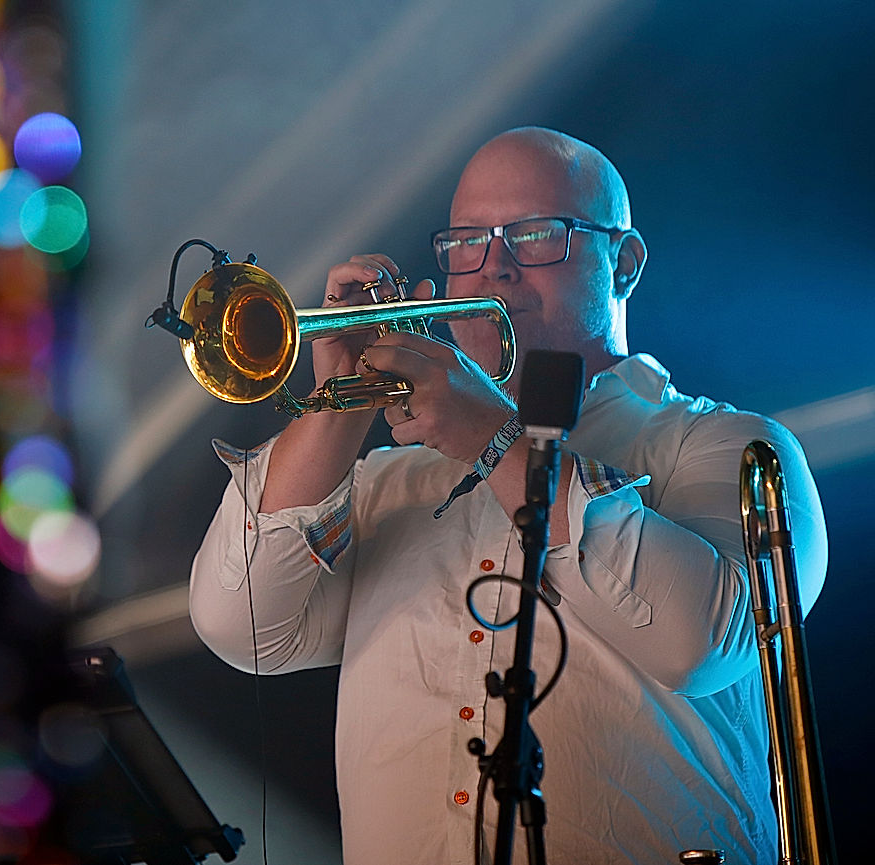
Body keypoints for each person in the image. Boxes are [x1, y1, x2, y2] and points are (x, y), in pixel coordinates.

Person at [187, 127, 828, 864]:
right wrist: (338, 397)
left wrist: (493, 438)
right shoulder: (389, 482)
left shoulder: (732, 446)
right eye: (466, 242)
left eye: (533, 235)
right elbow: (239, 627)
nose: (494, 268)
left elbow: (701, 642)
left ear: (623, 262)